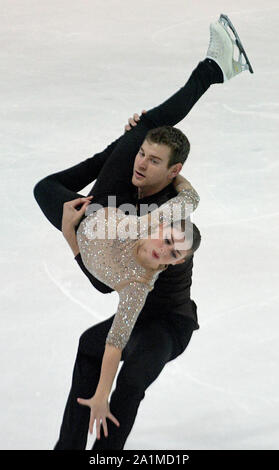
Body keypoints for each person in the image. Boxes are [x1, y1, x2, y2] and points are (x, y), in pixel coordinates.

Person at [33, 16, 253, 449]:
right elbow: (183, 194)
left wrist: (72, 239)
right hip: (112, 231)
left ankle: (106, 456)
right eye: (143, 156)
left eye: (155, 162)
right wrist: (123, 153)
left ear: (173, 171)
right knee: (88, 164)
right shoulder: (121, 200)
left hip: (163, 321)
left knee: (129, 376)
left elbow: (103, 286)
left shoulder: (161, 225)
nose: (142, 165)